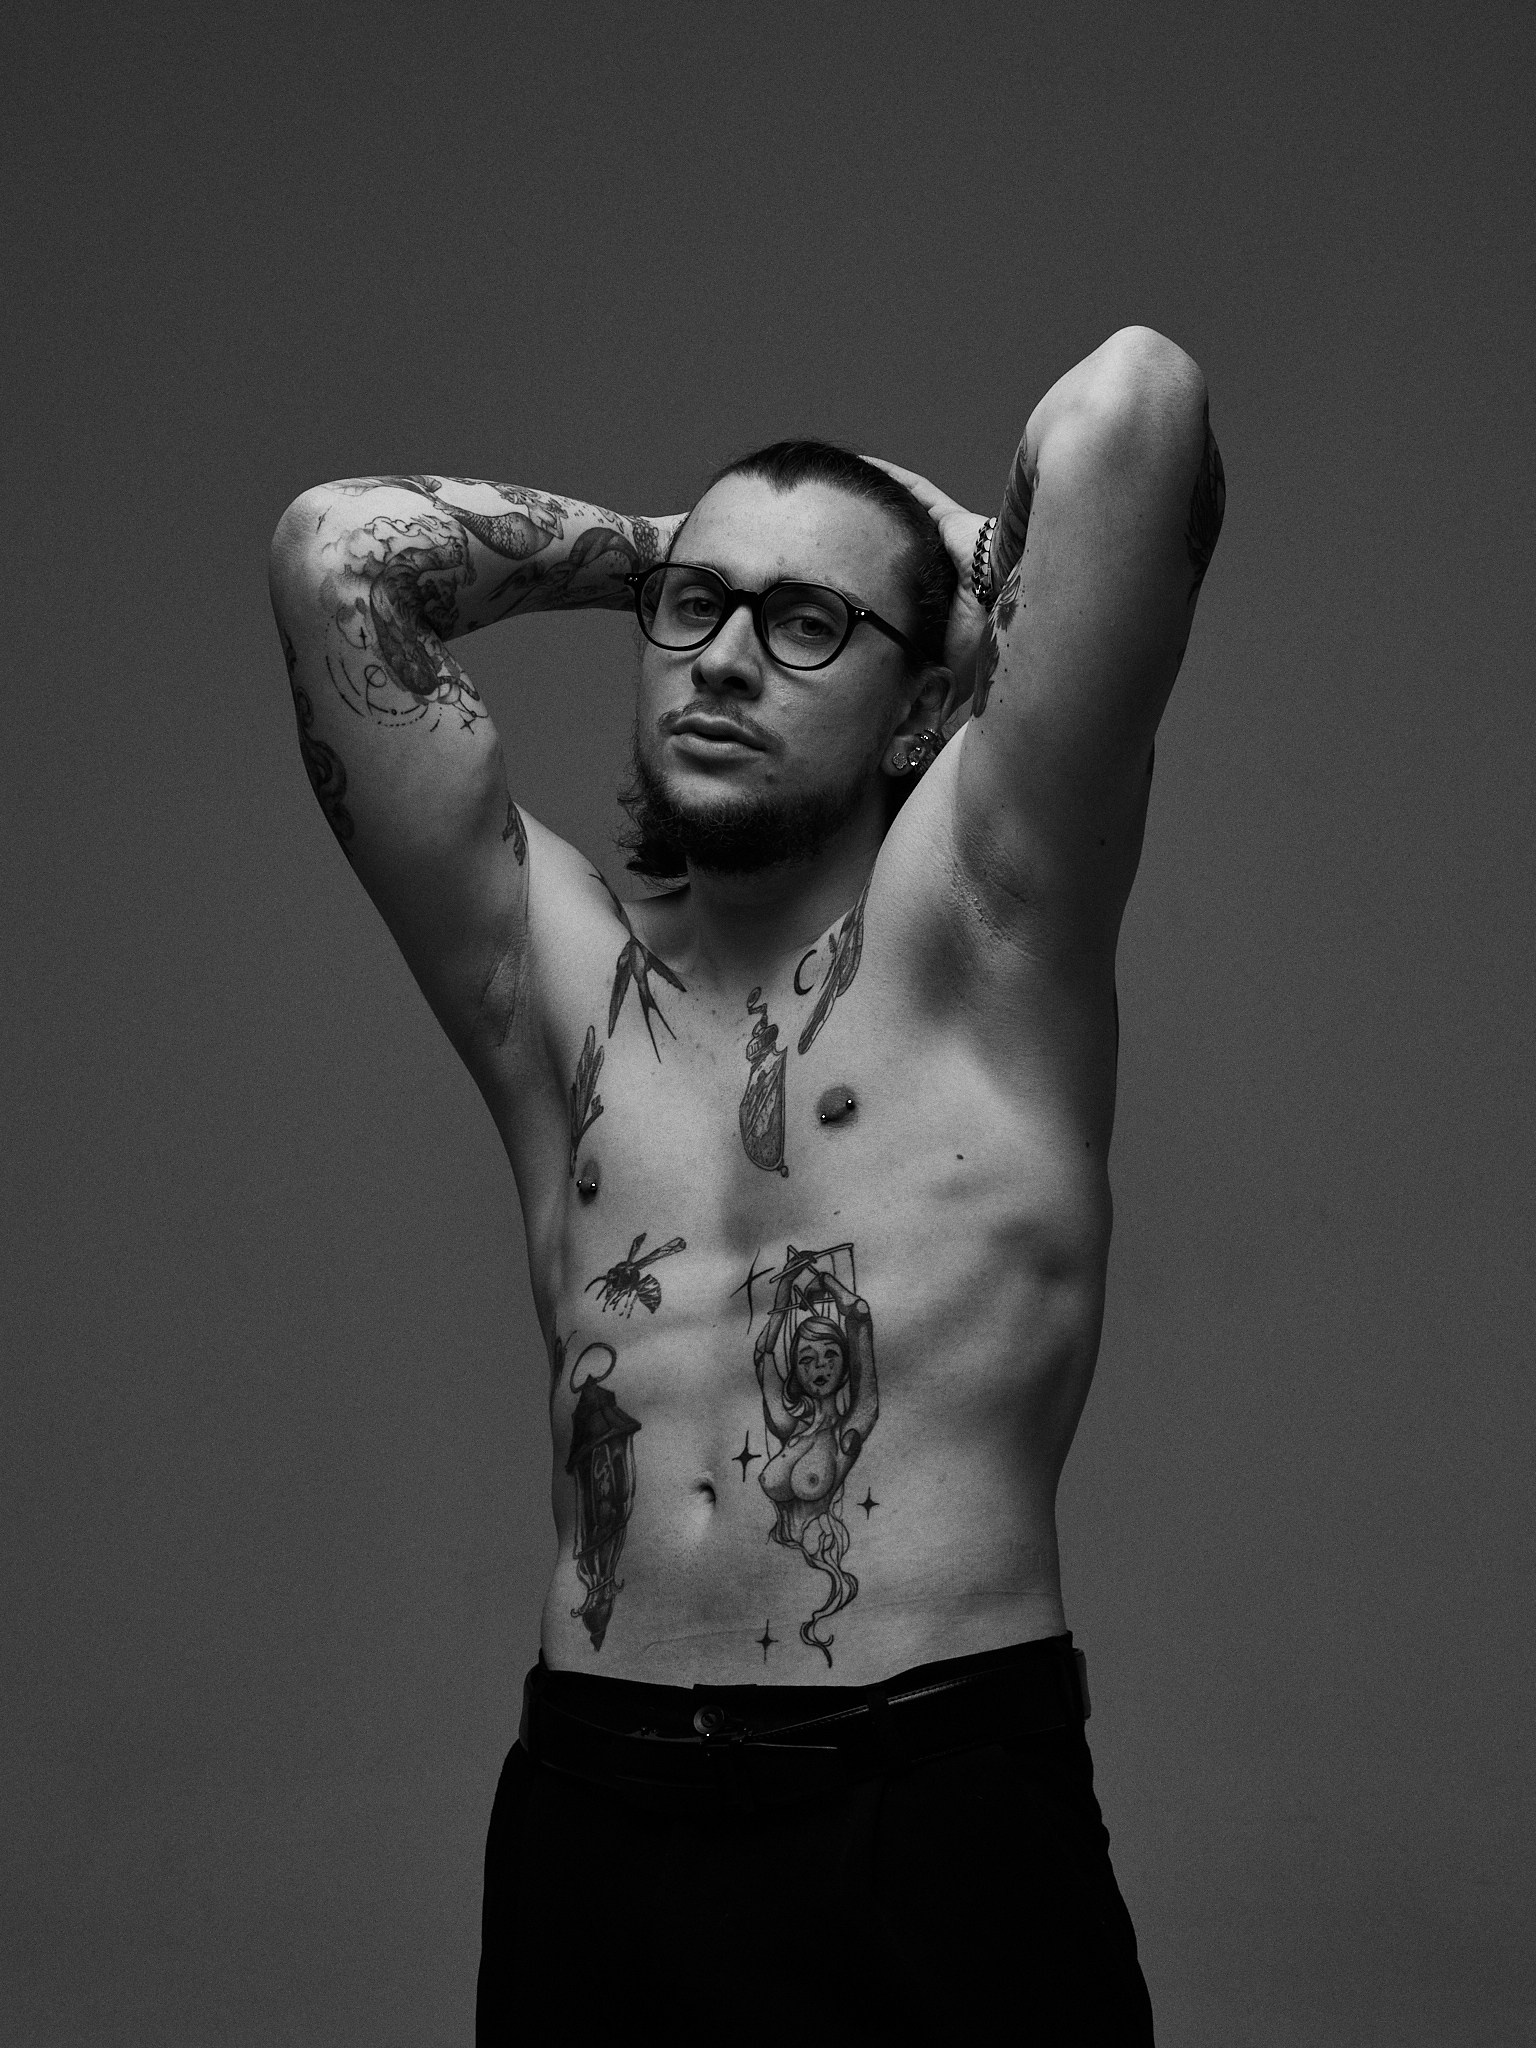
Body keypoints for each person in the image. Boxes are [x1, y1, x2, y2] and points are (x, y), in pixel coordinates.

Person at [268, 324, 1224, 2040]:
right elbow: (339, 553)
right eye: (695, 611)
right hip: (595, 1819)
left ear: (925, 699)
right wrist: (665, 550)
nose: (721, 660)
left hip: (934, 1807)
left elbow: (1136, 406)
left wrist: (934, 566)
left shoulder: (987, 921)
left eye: (804, 627)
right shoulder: (551, 982)